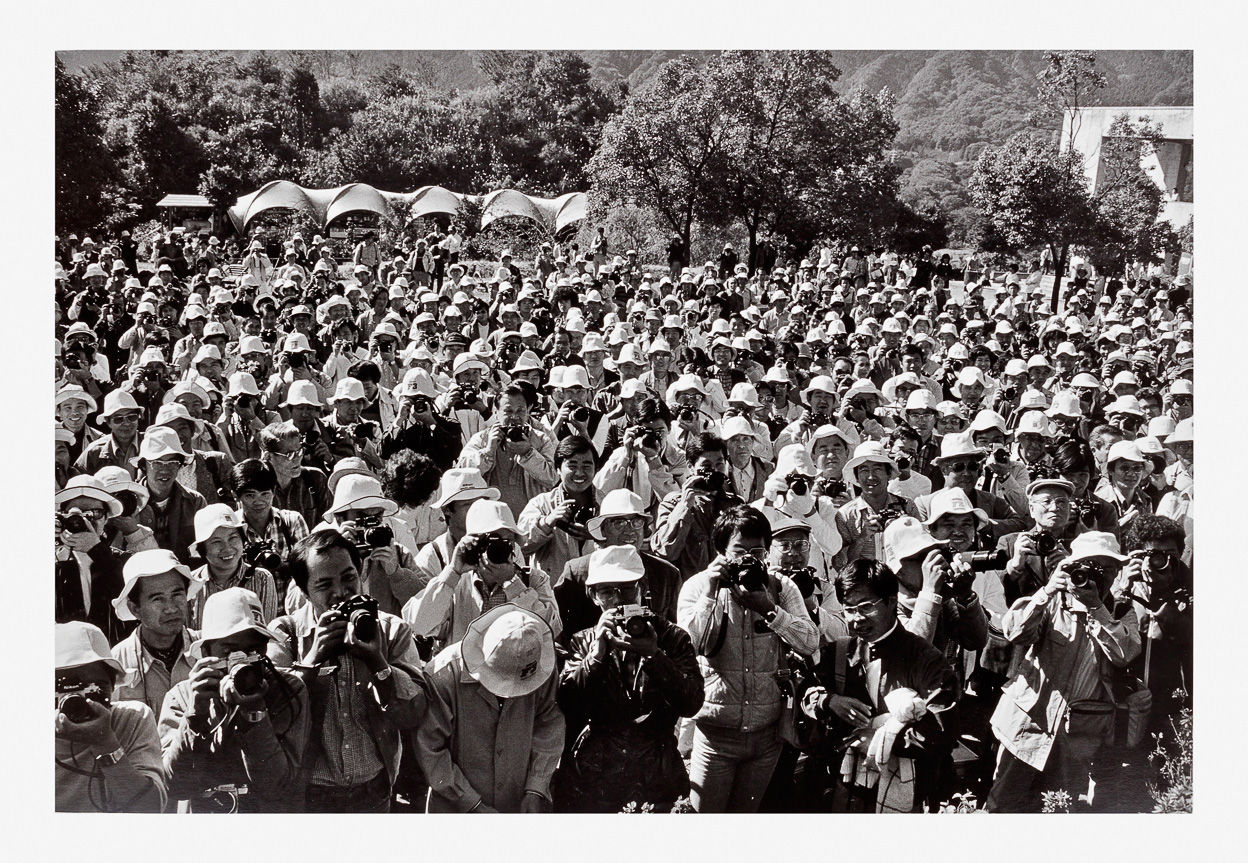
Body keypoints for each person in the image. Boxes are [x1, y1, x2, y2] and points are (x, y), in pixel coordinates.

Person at [267, 529, 428, 812]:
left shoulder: (391, 630)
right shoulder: (285, 633)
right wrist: (312, 659)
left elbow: (414, 713)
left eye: (349, 578)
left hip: (374, 789)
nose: (340, 592)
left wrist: (379, 663)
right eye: (324, 585)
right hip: (311, 795)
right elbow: (273, 719)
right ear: (304, 591)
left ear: (361, 572)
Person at [986, 532, 1141, 812]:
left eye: (1107, 569)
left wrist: (1097, 609)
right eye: (1089, 566)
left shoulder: (1120, 611)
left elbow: (1125, 654)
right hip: (1028, 726)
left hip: (1078, 737)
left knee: (1059, 812)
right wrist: (1046, 591)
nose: (1097, 576)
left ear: (1118, 572)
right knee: (1003, 807)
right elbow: (1016, 632)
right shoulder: (1054, 600)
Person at [678, 505, 819, 812]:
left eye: (758, 551)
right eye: (740, 551)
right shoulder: (697, 586)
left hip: (767, 735)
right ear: (721, 550)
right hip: (716, 736)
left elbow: (810, 643)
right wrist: (710, 593)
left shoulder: (780, 586)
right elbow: (689, 646)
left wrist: (769, 608)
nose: (749, 559)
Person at [554, 546, 704, 812]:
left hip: (658, 767)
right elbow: (569, 705)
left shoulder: (672, 637)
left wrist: (654, 656)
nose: (618, 599)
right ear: (593, 596)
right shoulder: (583, 640)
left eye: (626, 588)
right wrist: (596, 656)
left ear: (642, 587)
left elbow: (691, 703)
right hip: (597, 770)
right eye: (607, 591)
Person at [800, 559, 958, 812]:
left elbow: (941, 730)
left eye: (865, 607)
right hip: (843, 787)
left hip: (906, 789)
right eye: (849, 609)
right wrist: (829, 701)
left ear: (892, 602)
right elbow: (808, 689)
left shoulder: (925, 659)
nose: (857, 618)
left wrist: (883, 740)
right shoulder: (841, 651)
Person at [158, 587, 311, 812]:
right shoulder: (183, 696)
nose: (241, 661)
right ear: (206, 652)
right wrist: (195, 716)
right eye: (229, 651)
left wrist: (255, 713)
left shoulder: (288, 690)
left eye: (252, 650)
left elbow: (278, 786)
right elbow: (175, 786)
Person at [406, 498, 561, 649]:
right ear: (473, 543)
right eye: (490, 541)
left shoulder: (534, 580)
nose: (498, 547)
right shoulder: (455, 584)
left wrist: (514, 584)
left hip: (512, 671)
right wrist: (453, 571)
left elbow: (552, 629)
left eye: (505, 541)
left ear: (514, 544)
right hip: (466, 673)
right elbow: (419, 625)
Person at [55, 621, 167, 812]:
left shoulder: (132, 719)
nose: (78, 698)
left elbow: (150, 809)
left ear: (113, 686)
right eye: (67, 685)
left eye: (94, 688)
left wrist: (106, 743)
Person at [553, 488, 682, 644]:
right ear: (603, 529)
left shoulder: (666, 574)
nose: (629, 532)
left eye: (636, 522)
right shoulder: (577, 573)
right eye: (619, 523)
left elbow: (676, 638)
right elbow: (560, 638)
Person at [111, 549, 203, 714]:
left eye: (177, 594)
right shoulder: (117, 663)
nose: (171, 608)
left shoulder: (207, 648)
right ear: (135, 609)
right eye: (157, 599)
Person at [653, 433, 744, 577]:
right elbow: (665, 551)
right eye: (706, 466)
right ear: (690, 467)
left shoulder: (735, 504)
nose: (714, 471)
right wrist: (684, 506)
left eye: (719, 464)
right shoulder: (672, 503)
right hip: (690, 589)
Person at [56, 474, 130, 642]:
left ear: (106, 519)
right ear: (62, 516)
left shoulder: (121, 561)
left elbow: (129, 597)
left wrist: (97, 551)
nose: (84, 520)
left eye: (95, 513)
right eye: (77, 514)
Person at [517, 434, 599, 584]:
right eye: (572, 466)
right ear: (558, 470)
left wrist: (598, 536)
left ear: (596, 469)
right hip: (552, 593)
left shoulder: (607, 503)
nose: (580, 473)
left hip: (599, 592)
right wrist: (546, 523)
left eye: (586, 466)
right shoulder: (541, 504)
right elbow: (519, 548)